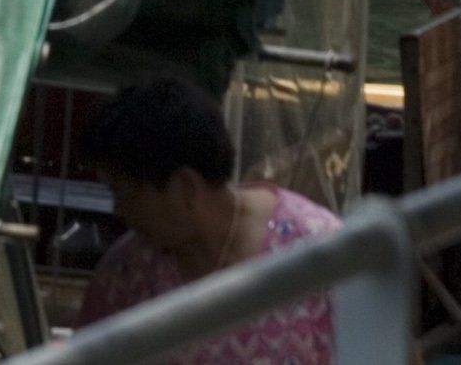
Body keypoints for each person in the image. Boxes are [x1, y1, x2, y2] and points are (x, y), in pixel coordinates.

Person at [76, 76, 341, 365]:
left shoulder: (319, 254)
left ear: (185, 187)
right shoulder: (125, 278)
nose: (118, 210)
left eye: (125, 193)